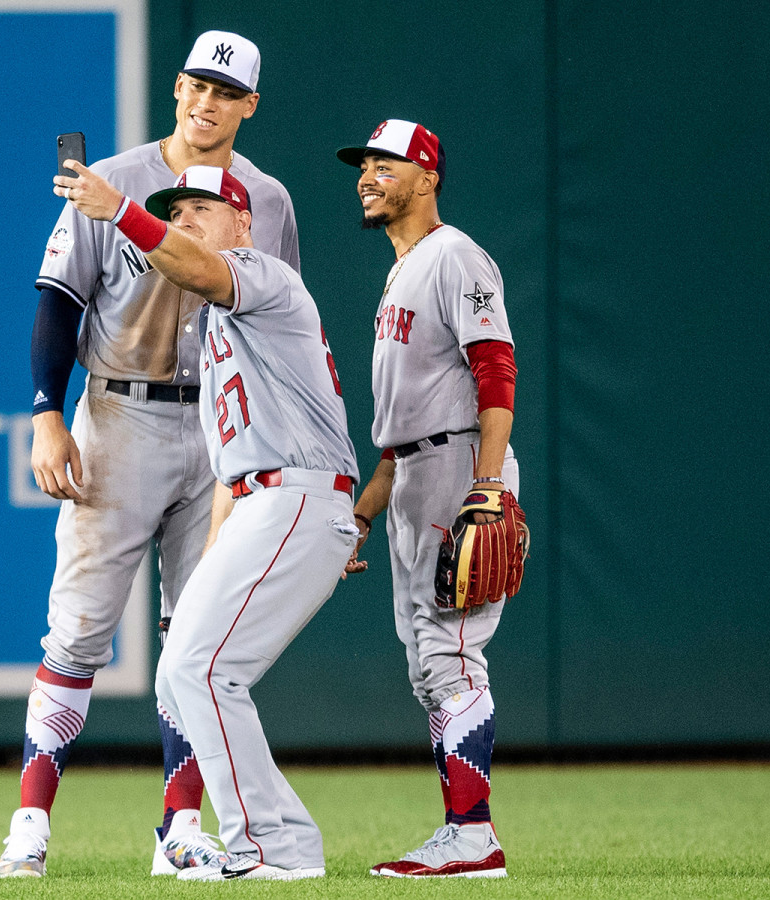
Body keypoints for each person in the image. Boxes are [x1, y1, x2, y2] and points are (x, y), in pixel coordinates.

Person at [0, 31, 301, 879]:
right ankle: (30, 823)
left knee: (198, 634)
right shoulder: (116, 181)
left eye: (225, 92)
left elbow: (278, 328)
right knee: (80, 629)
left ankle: (180, 827)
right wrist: (44, 416)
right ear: (176, 88)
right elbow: (57, 300)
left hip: (221, 430)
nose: (207, 102)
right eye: (197, 85)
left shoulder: (267, 200)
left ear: (249, 107)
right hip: (120, 414)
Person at [56, 161, 359, 881]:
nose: (186, 219)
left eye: (202, 207)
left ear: (243, 222)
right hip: (269, 503)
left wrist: (124, 211)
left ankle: (270, 849)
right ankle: (287, 839)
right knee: (182, 676)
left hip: (297, 495)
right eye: (177, 208)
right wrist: (229, 553)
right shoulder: (222, 326)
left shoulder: (262, 275)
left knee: (202, 669)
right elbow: (232, 465)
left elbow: (194, 265)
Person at [337, 119, 519, 878]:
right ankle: (462, 832)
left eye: (387, 163)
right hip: (415, 471)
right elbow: (397, 427)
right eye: (364, 165)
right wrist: (364, 511)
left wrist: (486, 480)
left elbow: (496, 370)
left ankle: (473, 836)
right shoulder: (402, 270)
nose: (367, 175)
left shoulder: (454, 255)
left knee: (449, 651)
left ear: (429, 175)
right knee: (427, 661)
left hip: (457, 463)